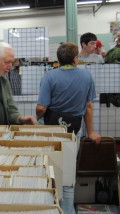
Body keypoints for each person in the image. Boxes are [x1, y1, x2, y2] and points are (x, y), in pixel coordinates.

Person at [36, 42, 101, 214]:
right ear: (75, 59)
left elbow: (41, 108)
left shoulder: (49, 76)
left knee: (48, 169)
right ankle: (68, 210)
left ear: (58, 59)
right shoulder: (86, 76)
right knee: (68, 174)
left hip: (51, 130)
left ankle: (48, 207)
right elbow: (88, 106)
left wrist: (36, 120)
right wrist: (92, 131)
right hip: (73, 131)